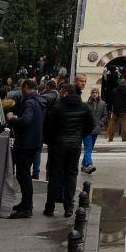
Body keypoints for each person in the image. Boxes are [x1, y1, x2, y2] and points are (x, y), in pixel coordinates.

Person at [43, 83, 94, 217]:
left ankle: (50, 207)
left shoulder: (57, 108)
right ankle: (69, 207)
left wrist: (50, 141)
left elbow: (48, 127)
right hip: (75, 145)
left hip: (58, 145)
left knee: (55, 176)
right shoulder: (84, 107)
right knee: (71, 176)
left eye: (61, 92)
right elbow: (91, 125)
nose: (59, 94)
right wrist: (79, 135)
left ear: (65, 93)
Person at [5, 79, 46, 219]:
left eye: (22, 88)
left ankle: (27, 207)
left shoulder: (29, 102)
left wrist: (12, 118)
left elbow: (26, 121)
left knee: (24, 175)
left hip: (25, 144)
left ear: (26, 87)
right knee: (24, 175)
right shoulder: (40, 101)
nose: (21, 91)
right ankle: (25, 203)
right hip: (34, 143)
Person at [82, 87, 106, 175]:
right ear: (91, 94)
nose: (95, 94)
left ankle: (84, 165)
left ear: (98, 94)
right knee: (88, 148)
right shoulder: (86, 104)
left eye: (96, 92)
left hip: (96, 129)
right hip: (87, 130)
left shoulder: (102, 104)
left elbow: (104, 115)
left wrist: (101, 123)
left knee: (90, 148)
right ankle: (89, 164)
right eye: (93, 92)